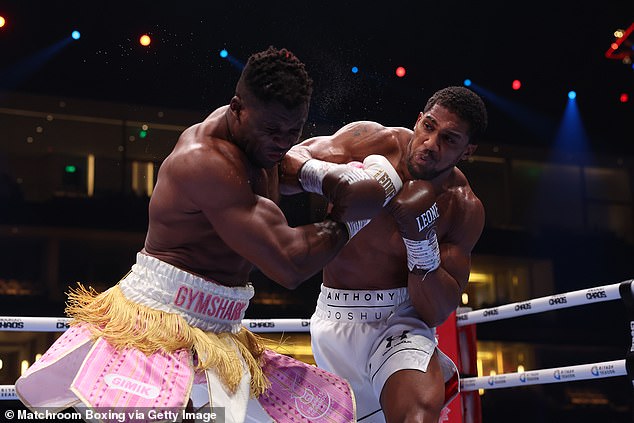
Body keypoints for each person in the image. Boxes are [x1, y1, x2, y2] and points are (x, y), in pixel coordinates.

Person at [14, 46, 402, 423]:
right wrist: (350, 218)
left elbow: (287, 159)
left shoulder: (260, 142)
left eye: (293, 130)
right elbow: (289, 264)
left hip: (221, 325)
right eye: (271, 129)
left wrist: (322, 175)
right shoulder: (206, 161)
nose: (281, 141)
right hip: (159, 321)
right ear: (237, 109)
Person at [280, 86, 488, 422]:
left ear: (467, 150)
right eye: (429, 127)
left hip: (401, 322)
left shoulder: (462, 207)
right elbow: (285, 164)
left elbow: (436, 310)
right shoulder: (373, 142)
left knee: (417, 415)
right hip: (334, 318)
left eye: (449, 139)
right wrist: (339, 180)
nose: (431, 144)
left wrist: (422, 244)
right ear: (419, 120)